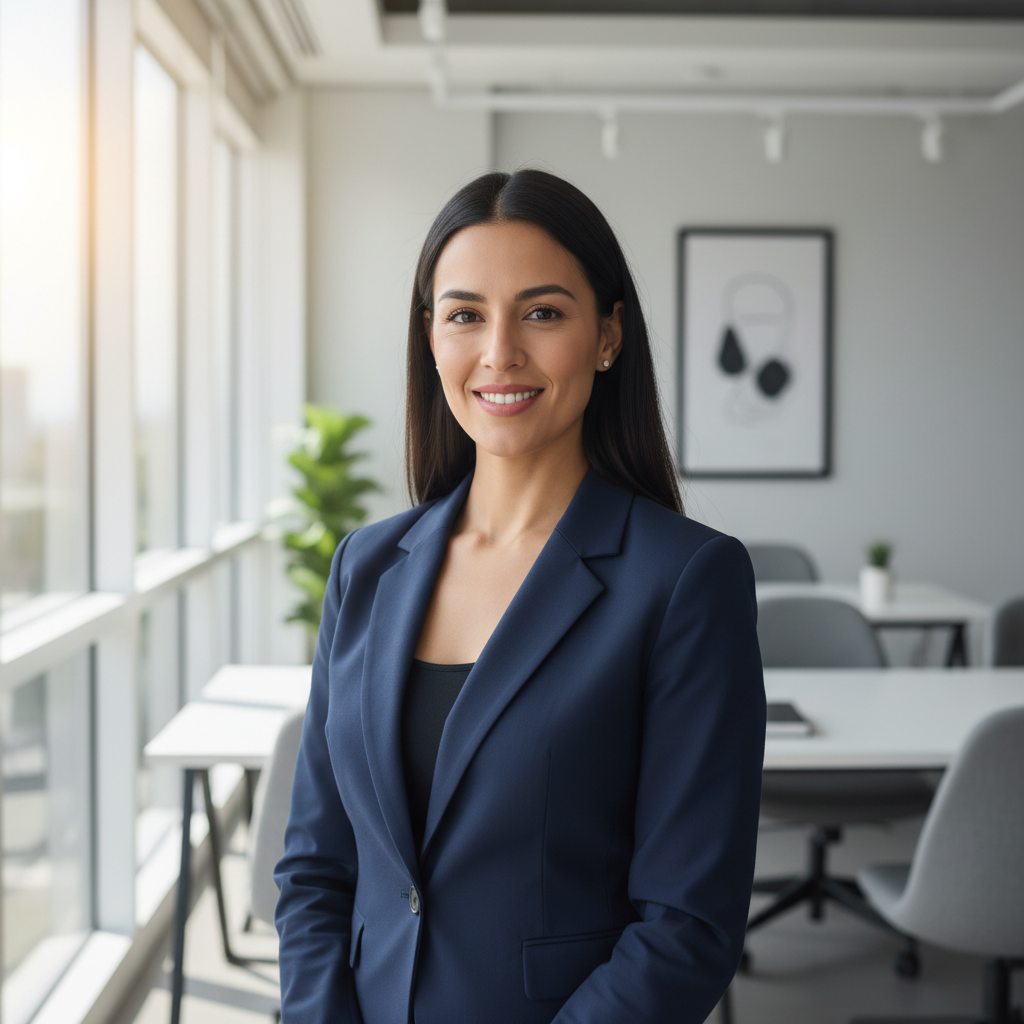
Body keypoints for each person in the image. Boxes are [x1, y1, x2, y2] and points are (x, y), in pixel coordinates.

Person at [275, 168, 765, 1024]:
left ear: (608, 335)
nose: (499, 351)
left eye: (542, 312)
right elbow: (318, 869)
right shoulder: (366, 565)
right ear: (430, 338)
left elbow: (686, 925)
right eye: (465, 314)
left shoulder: (685, 581)